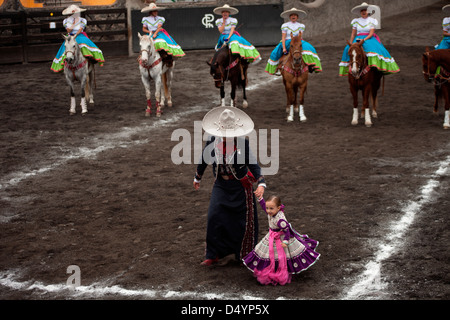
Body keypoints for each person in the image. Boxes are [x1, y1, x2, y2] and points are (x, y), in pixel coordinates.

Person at [194, 107, 266, 266]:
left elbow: (254, 165)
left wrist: (261, 183)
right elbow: (204, 159)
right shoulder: (213, 141)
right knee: (214, 216)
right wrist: (197, 177)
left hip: (240, 187)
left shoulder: (243, 144)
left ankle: (243, 254)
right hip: (221, 185)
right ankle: (212, 254)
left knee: (242, 222)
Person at [243, 195, 320, 286]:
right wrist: (260, 199)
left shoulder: (280, 220)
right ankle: (275, 268)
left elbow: (287, 231)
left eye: (271, 208)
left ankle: (281, 269)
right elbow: (264, 206)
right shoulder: (272, 212)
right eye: (267, 208)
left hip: (280, 238)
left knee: (281, 255)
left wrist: (285, 241)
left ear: (278, 208)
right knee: (274, 255)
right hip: (272, 236)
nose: (268, 211)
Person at [339, 2, 400, 77]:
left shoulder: (372, 20)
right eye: (362, 11)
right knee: (347, 49)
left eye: (365, 10)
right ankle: (350, 67)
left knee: (376, 48)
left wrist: (364, 40)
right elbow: (353, 34)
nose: (363, 12)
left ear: (368, 12)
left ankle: (376, 68)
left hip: (368, 38)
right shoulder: (356, 21)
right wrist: (351, 43)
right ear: (360, 12)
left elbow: (371, 33)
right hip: (357, 38)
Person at [265, 7, 322, 75]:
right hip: (288, 41)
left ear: (297, 17)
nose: (293, 16)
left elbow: (300, 36)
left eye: (295, 15)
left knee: (310, 47)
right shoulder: (285, 25)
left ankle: (311, 65)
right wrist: (284, 47)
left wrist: (299, 42)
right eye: (292, 15)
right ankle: (276, 68)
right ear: (289, 17)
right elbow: (283, 37)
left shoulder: (301, 25)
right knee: (275, 52)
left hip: (298, 40)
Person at [51, 5, 105, 73]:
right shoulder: (66, 21)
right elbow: (68, 31)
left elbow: (80, 29)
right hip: (70, 36)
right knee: (66, 47)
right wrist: (73, 24)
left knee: (82, 43)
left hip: (79, 35)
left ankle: (90, 59)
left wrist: (76, 35)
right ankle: (65, 64)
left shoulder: (83, 20)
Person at [141, 3, 185, 67]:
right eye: (154, 11)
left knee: (160, 42)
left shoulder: (160, 18)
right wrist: (149, 31)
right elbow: (143, 29)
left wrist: (155, 34)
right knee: (145, 44)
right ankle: (143, 57)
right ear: (151, 12)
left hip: (159, 33)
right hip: (150, 34)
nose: (156, 12)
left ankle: (166, 58)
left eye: (156, 11)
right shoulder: (146, 19)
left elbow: (159, 27)